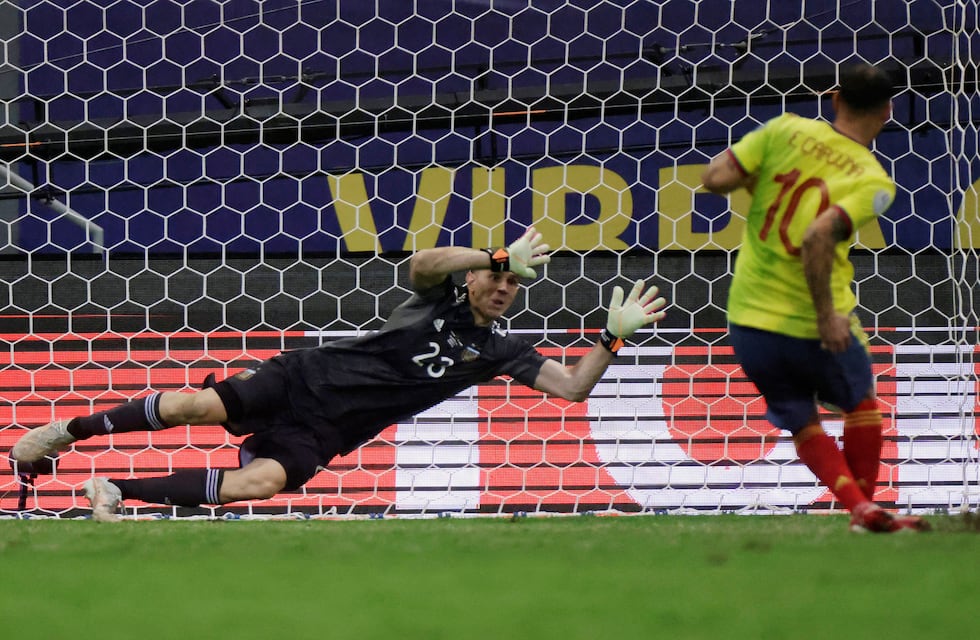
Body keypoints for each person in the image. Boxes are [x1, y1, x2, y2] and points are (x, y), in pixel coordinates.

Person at [10, 226, 667, 521]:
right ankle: (65, 434)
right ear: (473, 278)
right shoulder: (438, 295)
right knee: (192, 407)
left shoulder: (500, 350)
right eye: (496, 278)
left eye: (512, 284)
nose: (502, 288)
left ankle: (115, 490)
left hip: (329, 430)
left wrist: (610, 338)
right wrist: (493, 253)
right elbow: (422, 262)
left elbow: (572, 387)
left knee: (262, 483)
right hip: (304, 377)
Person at [701, 63, 928, 532]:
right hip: (813, 322)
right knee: (861, 404)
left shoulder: (783, 129)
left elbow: (715, 178)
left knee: (803, 422)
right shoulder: (874, 181)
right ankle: (865, 512)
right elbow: (818, 235)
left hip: (749, 319)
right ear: (888, 111)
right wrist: (827, 315)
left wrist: (757, 178)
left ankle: (861, 510)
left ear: (834, 98)